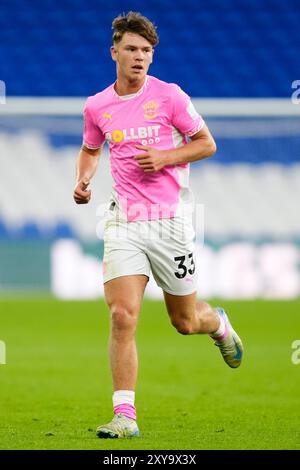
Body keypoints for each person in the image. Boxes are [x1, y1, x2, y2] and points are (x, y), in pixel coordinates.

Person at [73, 11, 243, 439]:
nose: (139, 57)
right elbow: (91, 149)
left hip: (170, 223)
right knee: (122, 315)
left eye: (146, 51)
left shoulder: (170, 97)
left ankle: (218, 324)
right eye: (131, 49)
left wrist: (166, 157)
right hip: (123, 221)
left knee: (184, 322)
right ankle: (125, 416)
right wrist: (84, 177)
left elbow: (207, 143)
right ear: (115, 52)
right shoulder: (97, 105)